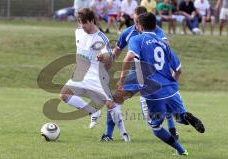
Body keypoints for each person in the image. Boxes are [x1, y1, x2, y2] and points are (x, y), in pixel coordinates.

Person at [117, 12, 205, 155]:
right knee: (179, 116)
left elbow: (130, 56)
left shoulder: (137, 39)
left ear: (139, 26)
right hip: (171, 90)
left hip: (152, 92)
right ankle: (186, 116)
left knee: (155, 128)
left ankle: (182, 151)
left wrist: (121, 79)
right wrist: (171, 84)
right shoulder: (163, 42)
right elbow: (179, 70)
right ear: (155, 25)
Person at [100, 6, 178, 142]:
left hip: (155, 75)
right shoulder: (128, 33)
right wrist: (105, 58)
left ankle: (172, 130)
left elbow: (166, 46)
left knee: (164, 100)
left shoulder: (156, 31)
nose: (137, 24)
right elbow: (116, 53)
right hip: (137, 73)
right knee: (115, 98)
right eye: (135, 21)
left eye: (139, 22)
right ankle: (108, 134)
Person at [59, 8, 123, 130]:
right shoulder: (78, 32)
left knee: (110, 104)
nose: (82, 26)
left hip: (96, 76)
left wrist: (103, 58)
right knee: (64, 95)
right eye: (80, 22)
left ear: (92, 21)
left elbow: (109, 56)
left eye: (84, 23)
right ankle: (93, 112)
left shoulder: (101, 38)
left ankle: (124, 134)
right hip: (80, 74)